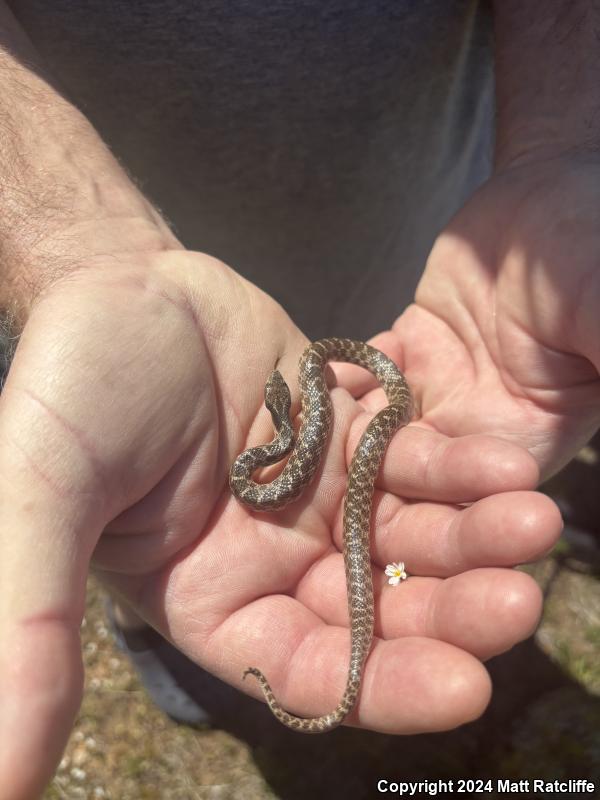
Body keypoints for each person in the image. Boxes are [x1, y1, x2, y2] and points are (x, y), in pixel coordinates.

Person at [0, 1, 598, 797]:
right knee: (145, 515)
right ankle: (161, 638)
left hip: (427, 223)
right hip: (172, 277)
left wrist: (567, 142)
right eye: (291, 410)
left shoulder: (303, 408)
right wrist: (71, 241)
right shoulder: (270, 442)